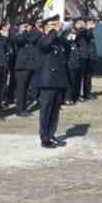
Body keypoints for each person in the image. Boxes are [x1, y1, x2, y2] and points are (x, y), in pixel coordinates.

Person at [36, 19, 71, 148]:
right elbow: (45, 45)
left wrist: (61, 33)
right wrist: (53, 31)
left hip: (58, 81)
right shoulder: (42, 39)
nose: (56, 27)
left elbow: (67, 50)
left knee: (55, 111)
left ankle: (51, 135)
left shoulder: (57, 42)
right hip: (47, 81)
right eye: (52, 25)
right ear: (46, 28)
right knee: (46, 110)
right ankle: (44, 138)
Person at [13, 22, 40, 117]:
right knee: (21, 89)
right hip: (21, 67)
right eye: (24, 26)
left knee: (26, 89)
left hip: (29, 66)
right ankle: (20, 109)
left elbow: (34, 37)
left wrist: (31, 30)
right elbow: (19, 41)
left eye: (28, 26)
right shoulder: (18, 35)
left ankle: (24, 108)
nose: (27, 28)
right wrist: (22, 31)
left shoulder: (30, 36)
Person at [77, 19, 98, 102]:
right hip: (82, 57)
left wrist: (94, 56)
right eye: (91, 24)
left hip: (89, 58)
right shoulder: (82, 32)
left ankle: (87, 93)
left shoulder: (90, 33)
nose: (93, 26)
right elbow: (85, 35)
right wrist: (88, 29)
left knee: (88, 77)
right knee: (80, 77)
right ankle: (78, 94)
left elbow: (92, 45)